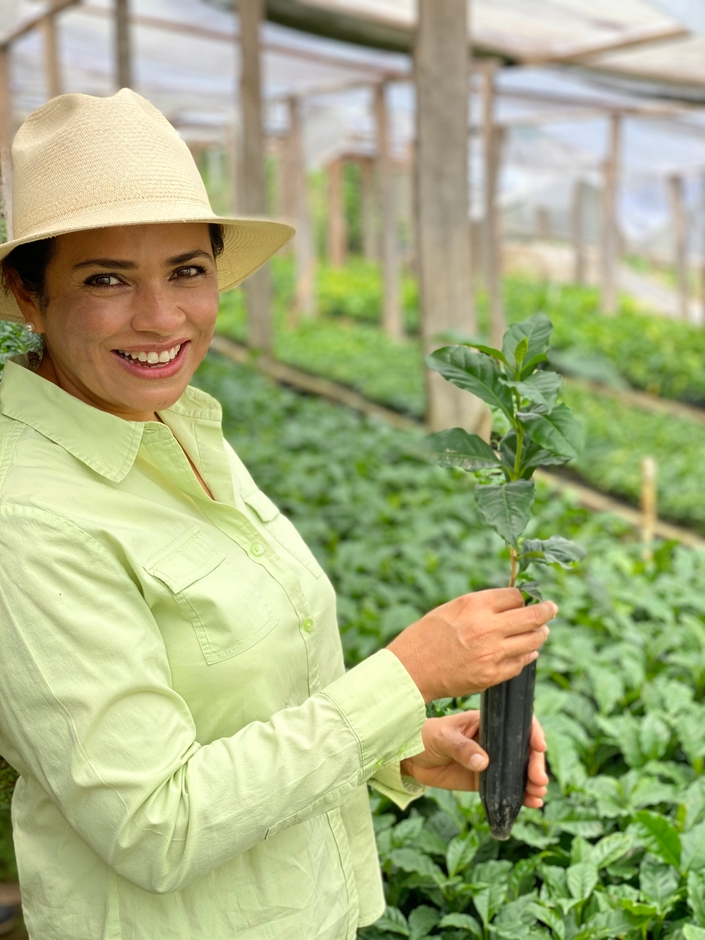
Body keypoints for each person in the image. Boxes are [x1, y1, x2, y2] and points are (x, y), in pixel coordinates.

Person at [0, 89, 553, 940]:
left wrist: (401, 746)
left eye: (187, 270)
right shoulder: (27, 514)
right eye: (105, 279)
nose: (160, 317)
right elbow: (154, 825)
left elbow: (240, 702)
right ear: (26, 295)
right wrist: (406, 674)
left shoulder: (177, 426)